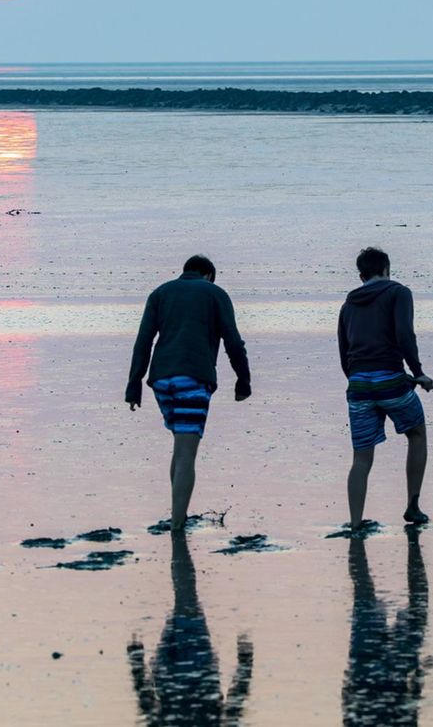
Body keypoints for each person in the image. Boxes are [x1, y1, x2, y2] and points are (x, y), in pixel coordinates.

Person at [127, 255, 251, 531]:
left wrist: (134, 384)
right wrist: (244, 380)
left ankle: (177, 513)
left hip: (161, 380)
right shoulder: (215, 294)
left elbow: (144, 340)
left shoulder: (160, 293)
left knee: (180, 446)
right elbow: (233, 340)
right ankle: (177, 524)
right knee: (186, 452)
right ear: (209, 275)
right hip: (193, 378)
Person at [338, 247, 433, 530]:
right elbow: (405, 334)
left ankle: (355, 523)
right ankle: (413, 506)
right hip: (391, 380)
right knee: (416, 434)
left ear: (361, 275)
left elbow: (344, 353)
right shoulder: (399, 293)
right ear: (387, 269)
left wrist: (358, 380)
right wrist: (417, 373)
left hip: (358, 385)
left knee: (361, 457)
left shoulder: (347, 305)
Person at [128, 531, 254, 727]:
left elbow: (234, 709)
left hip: (193, 675)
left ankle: (178, 536)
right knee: (183, 600)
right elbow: (149, 711)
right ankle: (177, 536)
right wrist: (136, 665)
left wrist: (246, 663)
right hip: (169, 678)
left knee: (185, 598)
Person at [342, 529, 428, 726]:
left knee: (366, 595)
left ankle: (358, 538)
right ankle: (413, 547)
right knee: (366, 595)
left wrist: (417, 680)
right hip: (369, 671)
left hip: (372, 671)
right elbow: (348, 705)